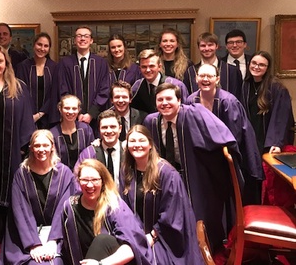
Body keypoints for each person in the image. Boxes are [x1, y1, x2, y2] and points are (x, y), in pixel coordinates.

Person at [143, 82, 241, 253]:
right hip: (167, 178)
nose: (164, 103)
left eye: (169, 99)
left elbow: (222, 137)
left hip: (195, 172)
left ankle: (203, 248)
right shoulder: (151, 121)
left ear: (179, 100)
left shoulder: (195, 114)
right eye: (160, 100)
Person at [120, 125, 203, 264]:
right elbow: (124, 209)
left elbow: (172, 214)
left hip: (163, 237)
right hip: (136, 234)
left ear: (150, 144)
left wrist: (151, 236)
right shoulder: (126, 172)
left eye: (141, 140)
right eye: (132, 141)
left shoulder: (166, 173)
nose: (137, 145)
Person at [0, 44, 36, 243]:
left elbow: (26, 118)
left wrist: (24, 146)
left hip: (11, 148)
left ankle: (6, 228)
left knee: (11, 185)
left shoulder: (18, 87)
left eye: (0, 61)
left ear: (6, 64)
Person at [186, 63, 263, 205]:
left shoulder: (228, 102)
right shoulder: (191, 101)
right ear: (196, 78)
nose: (206, 79)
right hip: (200, 156)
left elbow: (235, 136)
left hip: (227, 155)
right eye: (202, 76)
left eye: (210, 76)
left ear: (218, 79)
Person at [0, 130, 76, 265]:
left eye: (45, 145)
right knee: (35, 263)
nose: (41, 149)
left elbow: (64, 210)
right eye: (37, 145)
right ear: (31, 148)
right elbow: (20, 211)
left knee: (56, 262)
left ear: (53, 147)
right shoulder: (21, 175)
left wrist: (53, 240)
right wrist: (33, 244)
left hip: (58, 235)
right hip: (26, 237)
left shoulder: (64, 173)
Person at [61, 159, 154, 265]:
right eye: (85, 180)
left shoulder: (114, 205)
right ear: (78, 181)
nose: (90, 185)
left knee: (102, 241)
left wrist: (100, 264)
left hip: (114, 262)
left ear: (103, 181)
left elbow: (131, 247)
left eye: (95, 180)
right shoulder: (70, 207)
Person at [240, 51, 294, 155]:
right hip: (250, 141)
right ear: (249, 64)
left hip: (268, 143)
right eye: (254, 63)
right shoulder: (245, 85)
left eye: (261, 65)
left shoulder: (277, 88)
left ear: (267, 68)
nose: (256, 67)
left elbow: (282, 119)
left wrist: (276, 143)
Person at [59, 26, 109, 133]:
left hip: (96, 117)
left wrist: (91, 113)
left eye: (86, 36)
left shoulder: (101, 63)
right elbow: (63, 89)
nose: (82, 39)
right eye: (79, 36)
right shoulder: (65, 63)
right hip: (72, 117)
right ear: (74, 40)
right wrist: (75, 112)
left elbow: (104, 89)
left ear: (91, 41)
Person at [15, 32, 59, 128]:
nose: (42, 48)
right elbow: (20, 92)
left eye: (46, 46)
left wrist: (41, 113)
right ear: (34, 45)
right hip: (27, 116)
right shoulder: (23, 67)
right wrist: (31, 115)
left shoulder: (55, 67)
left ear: (49, 48)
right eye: (39, 44)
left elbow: (55, 93)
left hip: (49, 116)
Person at [183, 32, 242, 98]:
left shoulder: (232, 71)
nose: (207, 49)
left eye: (210, 45)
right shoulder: (190, 72)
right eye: (203, 46)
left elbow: (237, 98)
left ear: (216, 46)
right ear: (198, 48)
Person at [130, 49, 188, 115]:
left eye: (151, 66)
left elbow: (185, 111)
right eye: (144, 67)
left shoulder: (176, 85)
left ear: (159, 67)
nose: (148, 70)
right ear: (140, 68)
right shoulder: (137, 86)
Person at [75, 110, 124, 186]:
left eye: (113, 127)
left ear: (120, 129)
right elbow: (77, 179)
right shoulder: (89, 153)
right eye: (104, 127)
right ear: (99, 129)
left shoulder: (127, 151)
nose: (109, 131)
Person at [50, 95, 95, 170]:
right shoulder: (52, 134)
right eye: (67, 108)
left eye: (74, 108)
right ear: (60, 109)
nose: (70, 112)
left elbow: (92, 154)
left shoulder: (86, 129)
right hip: (61, 176)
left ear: (79, 110)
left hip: (84, 175)